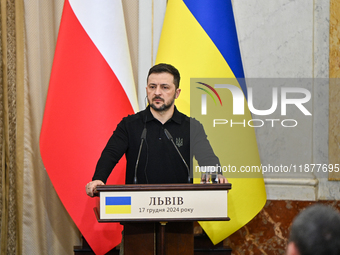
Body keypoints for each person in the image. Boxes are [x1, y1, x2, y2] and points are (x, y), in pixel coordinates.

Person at [86, 63, 227, 197]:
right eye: (152, 87)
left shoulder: (192, 127)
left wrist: (216, 177)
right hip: (137, 213)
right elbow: (110, 154)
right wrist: (99, 178)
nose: (157, 92)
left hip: (180, 212)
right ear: (147, 89)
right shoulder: (129, 125)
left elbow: (207, 158)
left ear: (177, 93)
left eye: (165, 87)